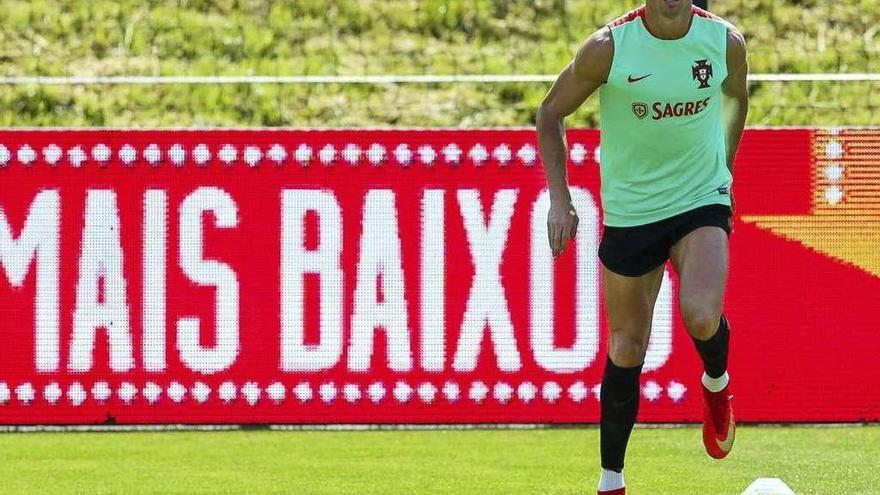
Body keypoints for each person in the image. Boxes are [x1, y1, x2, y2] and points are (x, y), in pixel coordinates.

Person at [536, 1, 749, 493]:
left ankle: (716, 383)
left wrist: (726, 170)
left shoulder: (724, 42)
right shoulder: (608, 48)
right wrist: (560, 200)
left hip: (701, 197)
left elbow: (737, 99)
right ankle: (612, 479)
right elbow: (550, 112)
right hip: (633, 211)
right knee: (627, 346)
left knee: (699, 313)